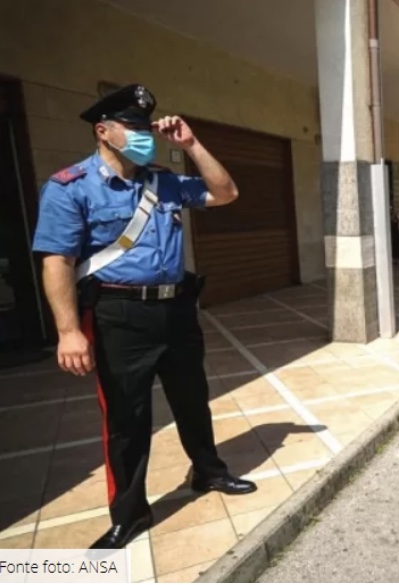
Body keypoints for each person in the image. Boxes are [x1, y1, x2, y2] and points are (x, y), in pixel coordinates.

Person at [30, 84, 257, 550]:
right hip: (118, 315)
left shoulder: (163, 182)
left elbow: (226, 192)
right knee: (127, 418)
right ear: (103, 130)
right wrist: (69, 331)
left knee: (193, 398)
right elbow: (57, 261)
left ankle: (208, 472)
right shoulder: (70, 186)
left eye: (144, 127)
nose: (141, 135)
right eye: (131, 127)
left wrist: (190, 144)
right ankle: (130, 513)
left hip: (176, 309)